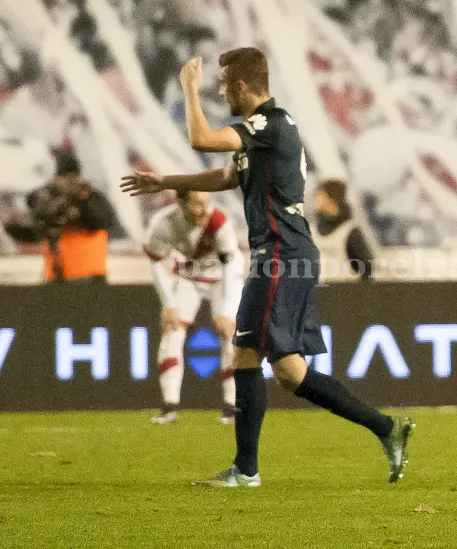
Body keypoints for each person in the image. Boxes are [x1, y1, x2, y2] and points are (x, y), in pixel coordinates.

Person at [121, 47, 414, 487]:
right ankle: (386, 428)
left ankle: (246, 470)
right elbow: (224, 177)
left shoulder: (267, 125)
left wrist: (189, 90)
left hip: (280, 254)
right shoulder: (267, 132)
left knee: (245, 352)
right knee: (290, 371)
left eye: (223, 86)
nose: (220, 92)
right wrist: (165, 182)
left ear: (241, 87)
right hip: (282, 254)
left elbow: (202, 139)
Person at [143, 190, 243, 425]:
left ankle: (232, 407)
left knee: (230, 337)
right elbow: (157, 262)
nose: (205, 209)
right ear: (181, 204)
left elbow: (232, 264)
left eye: (207, 203)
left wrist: (228, 311)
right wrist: (169, 304)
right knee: (172, 334)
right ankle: (169, 407)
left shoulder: (219, 222)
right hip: (189, 278)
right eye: (198, 204)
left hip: (222, 278)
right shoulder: (163, 224)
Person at [5, 151, 117, 283]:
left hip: (88, 276)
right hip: (59, 276)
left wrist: (79, 202)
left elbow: (100, 222)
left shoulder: (91, 197)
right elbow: (34, 233)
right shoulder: (52, 199)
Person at [312, 178, 374, 281]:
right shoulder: (312, 230)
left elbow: (366, 269)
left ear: (329, 198)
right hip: (317, 293)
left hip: (343, 293)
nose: (316, 199)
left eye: (319, 195)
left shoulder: (350, 232)